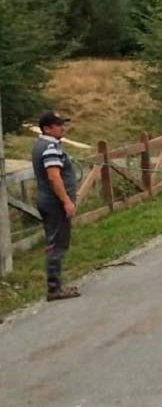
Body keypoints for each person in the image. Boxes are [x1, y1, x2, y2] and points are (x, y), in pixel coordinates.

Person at [31, 112, 80, 301]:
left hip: (49, 200)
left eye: (62, 124)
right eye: (58, 125)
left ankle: (57, 284)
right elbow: (53, 176)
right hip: (54, 202)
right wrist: (67, 201)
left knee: (56, 242)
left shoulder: (42, 145)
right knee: (57, 244)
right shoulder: (50, 146)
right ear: (47, 129)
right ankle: (54, 288)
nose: (62, 128)